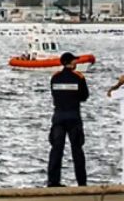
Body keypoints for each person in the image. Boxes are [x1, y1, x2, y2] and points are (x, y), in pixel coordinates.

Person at [48, 52, 89, 187]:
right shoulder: (79, 77)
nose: (76, 63)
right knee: (77, 150)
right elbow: (84, 96)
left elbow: (54, 94)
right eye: (74, 61)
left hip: (58, 117)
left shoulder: (55, 77)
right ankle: (81, 183)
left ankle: (53, 182)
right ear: (70, 63)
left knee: (56, 150)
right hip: (73, 117)